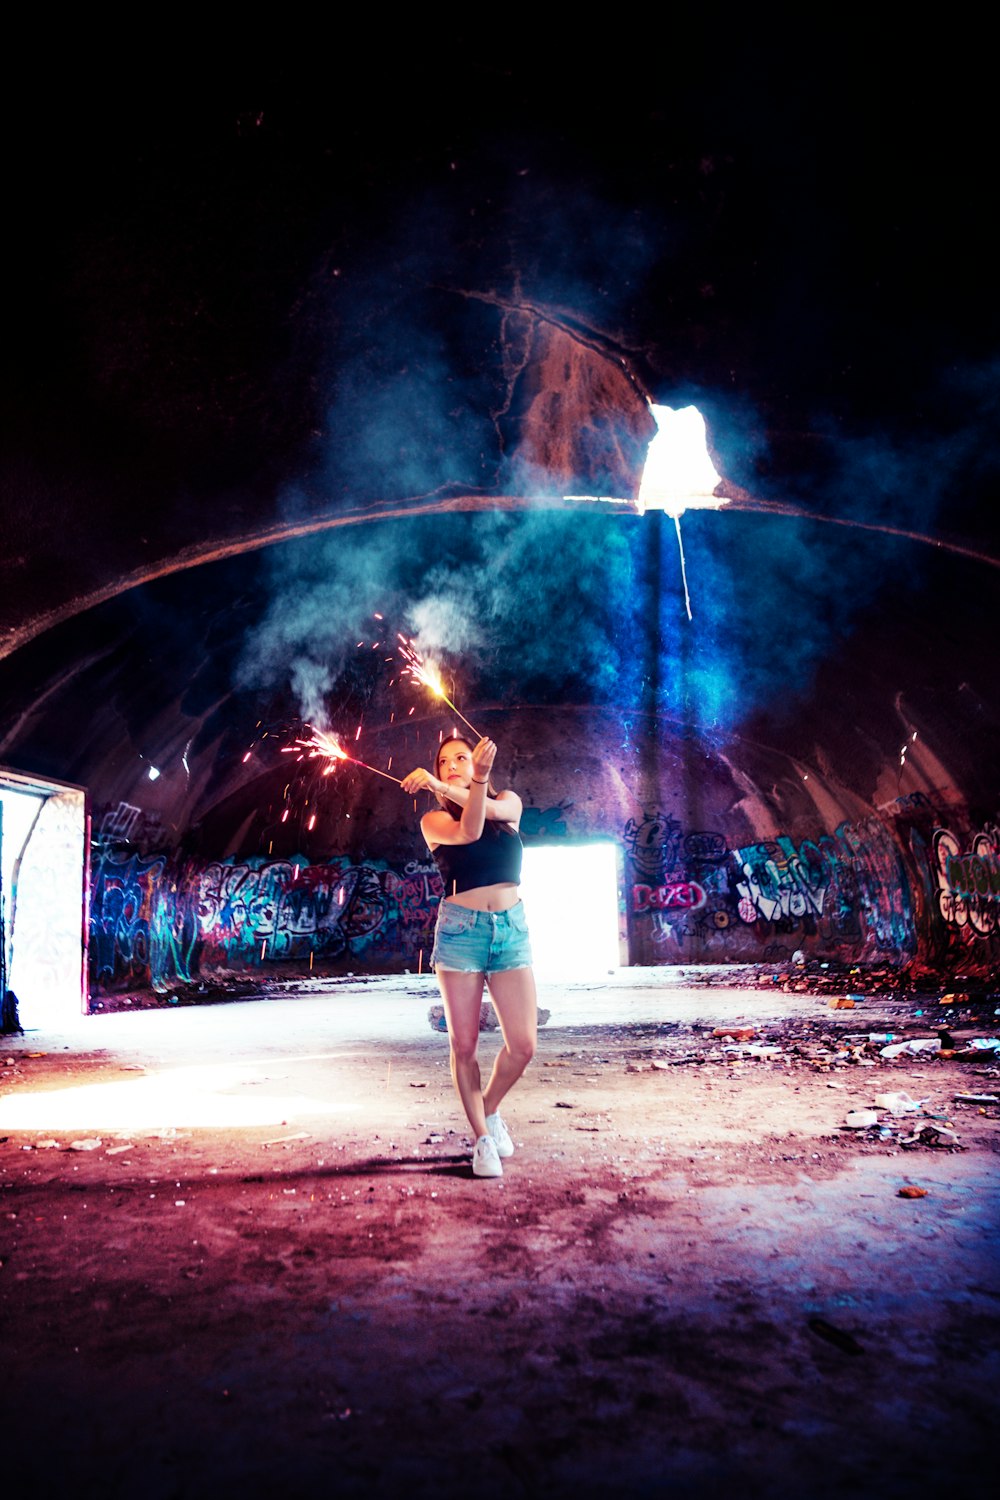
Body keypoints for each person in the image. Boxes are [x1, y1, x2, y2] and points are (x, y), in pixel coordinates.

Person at [401, 735, 536, 1178]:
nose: (454, 764)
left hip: (511, 929)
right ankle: (481, 1138)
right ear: (438, 774)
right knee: (464, 1044)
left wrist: (477, 780)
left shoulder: (509, 802)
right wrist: (460, 786)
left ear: (482, 764)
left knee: (523, 1045)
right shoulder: (435, 821)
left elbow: (489, 813)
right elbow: (469, 830)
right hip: (461, 931)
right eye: (444, 762)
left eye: (462, 757)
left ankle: (489, 1109)